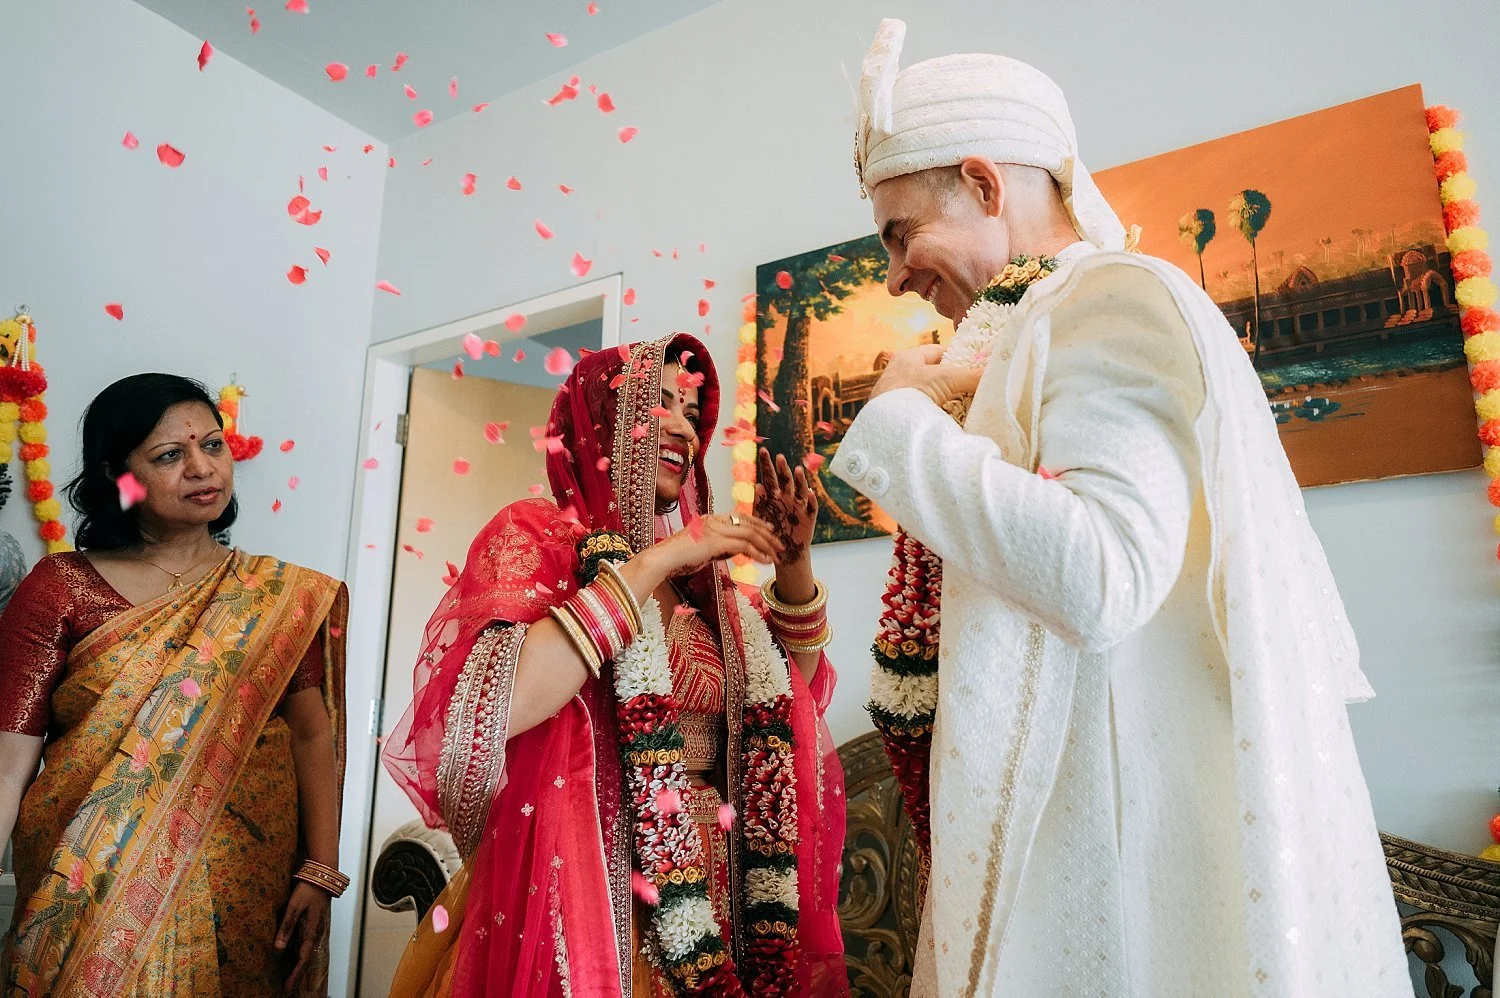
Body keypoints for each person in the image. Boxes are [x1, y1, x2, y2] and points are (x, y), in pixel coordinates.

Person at [832, 19, 1410, 997]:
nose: (894, 276)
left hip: (1120, 833)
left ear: (983, 184)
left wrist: (896, 423)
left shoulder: (1108, 301)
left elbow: (1103, 573)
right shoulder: (1035, 325)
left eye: (899, 234)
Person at [383, 333, 847, 997]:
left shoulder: (704, 586)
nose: (683, 428)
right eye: (661, 405)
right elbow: (499, 707)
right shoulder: (540, 539)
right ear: (604, 421)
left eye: (692, 412)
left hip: (719, 891)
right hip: (589, 884)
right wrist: (659, 558)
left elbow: (790, 702)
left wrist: (793, 564)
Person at [0, 374, 349, 997]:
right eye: (169, 455)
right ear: (120, 477)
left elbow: (309, 733)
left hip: (243, 882)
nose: (202, 468)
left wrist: (320, 869)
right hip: (85, 882)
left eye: (213, 445)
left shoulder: (276, 596)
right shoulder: (61, 587)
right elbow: (9, 761)